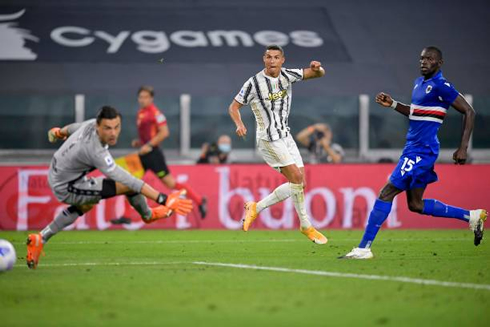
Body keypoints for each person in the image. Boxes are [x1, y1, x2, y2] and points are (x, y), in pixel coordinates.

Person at [341, 46, 487, 259]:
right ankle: (472, 216)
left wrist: (463, 147)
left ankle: (364, 248)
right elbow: (415, 113)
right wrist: (392, 104)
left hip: (422, 151)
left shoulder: (442, 86)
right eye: (421, 58)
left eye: (429, 58)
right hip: (413, 148)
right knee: (415, 204)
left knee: (386, 192)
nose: (423, 62)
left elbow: (469, 111)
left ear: (439, 63)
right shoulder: (419, 84)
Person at [26, 106, 193, 269]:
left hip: (58, 172)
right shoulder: (96, 151)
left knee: (86, 203)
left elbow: (73, 128)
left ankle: (40, 238)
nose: (113, 133)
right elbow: (127, 180)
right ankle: (148, 215)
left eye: (116, 127)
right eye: (107, 128)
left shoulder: (91, 124)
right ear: (98, 126)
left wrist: (58, 132)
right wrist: (163, 198)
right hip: (66, 185)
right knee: (127, 186)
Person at [228, 44, 327, 244]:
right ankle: (301, 223)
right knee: (297, 179)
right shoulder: (254, 83)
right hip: (269, 139)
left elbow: (317, 74)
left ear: (282, 60)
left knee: (300, 183)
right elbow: (233, 106)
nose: (272, 60)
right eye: (268, 57)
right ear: (264, 59)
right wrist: (239, 123)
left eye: (276, 57)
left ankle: (293, 221)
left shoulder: (287, 75)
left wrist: (318, 68)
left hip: (286, 136)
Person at [132, 86, 207, 218]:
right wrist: (140, 143)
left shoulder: (156, 113)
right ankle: (126, 216)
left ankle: (200, 201)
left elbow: (164, 132)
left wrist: (149, 144)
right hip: (143, 154)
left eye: (145, 97)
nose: (142, 100)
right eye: (140, 97)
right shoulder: (140, 113)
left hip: (153, 155)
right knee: (129, 183)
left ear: (151, 98)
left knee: (171, 184)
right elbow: (148, 135)